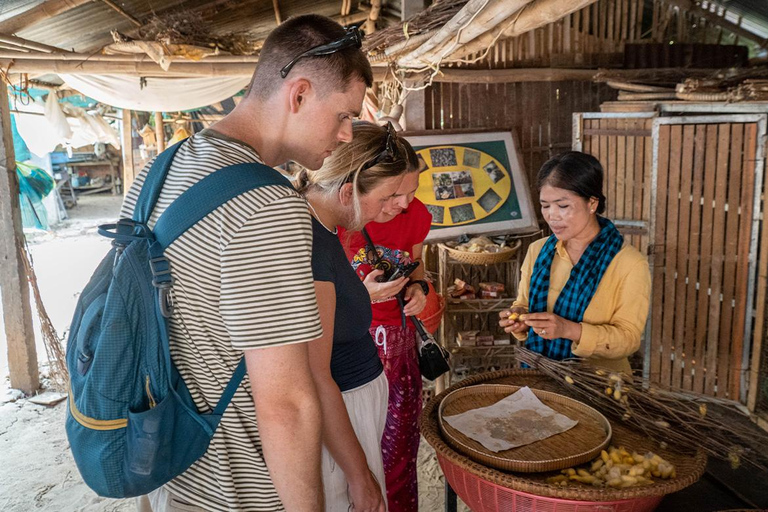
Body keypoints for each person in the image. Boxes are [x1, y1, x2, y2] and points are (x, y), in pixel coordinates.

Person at [125, 14, 373, 512]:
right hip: (241, 490)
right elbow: (285, 401)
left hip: (169, 465)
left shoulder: (162, 168)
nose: (347, 134)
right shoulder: (269, 205)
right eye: (344, 114)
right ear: (298, 94)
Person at [295, 121, 415, 512]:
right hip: (339, 419)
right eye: (389, 196)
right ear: (348, 192)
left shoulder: (324, 229)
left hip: (352, 408)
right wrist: (359, 476)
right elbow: (316, 374)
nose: (398, 207)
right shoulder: (311, 241)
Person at [337, 142, 430, 512]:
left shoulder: (417, 215)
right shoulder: (339, 220)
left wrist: (419, 288)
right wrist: (365, 297)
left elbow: (417, 265)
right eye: (394, 195)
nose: (404, 204)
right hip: (354, 348)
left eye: (411, 193)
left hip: (400, 343)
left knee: (400, 451)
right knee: (357, 451)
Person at [499, 151, 651, 374]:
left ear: (591, 203)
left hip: (598, 387)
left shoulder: (629, 263)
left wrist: (569, 330)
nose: (552, 216)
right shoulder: (538, 251)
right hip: (540, 377)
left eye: (563, 206)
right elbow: (523, 304)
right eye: (545, 205)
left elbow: (628, 339)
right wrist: (520, 318)